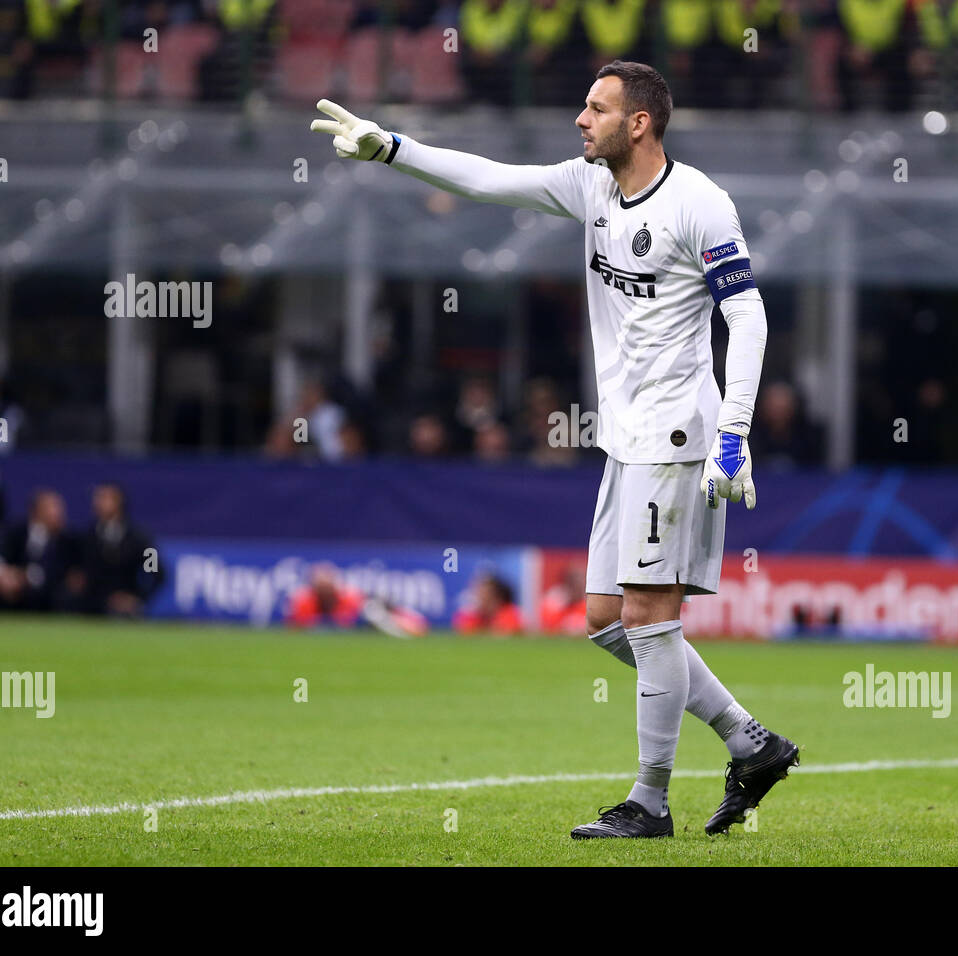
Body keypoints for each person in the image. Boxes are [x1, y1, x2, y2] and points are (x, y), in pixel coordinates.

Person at [312, 59, 799, 839]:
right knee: (607, 619)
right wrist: (392, 148)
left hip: (678, 436)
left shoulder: (701, 204)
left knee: (648, 614)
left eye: (596, 107)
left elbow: (749, 318)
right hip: (625, 438)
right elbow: (488, 179)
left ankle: (649, 802)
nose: (581, 119)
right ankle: (752, 742)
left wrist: (735, 433)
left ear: (638, 122)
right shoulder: (592, 187)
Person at [72, 483, 161, 617]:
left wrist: (137, 598)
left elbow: (156, 573)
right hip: (91, 605)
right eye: (97, 498)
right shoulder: (86, 537)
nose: (98, 503)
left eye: (104, 498)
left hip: (125, 607)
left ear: (119, 502)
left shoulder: (140, 539)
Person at [0, 488, 79, 612]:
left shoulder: (67, 540)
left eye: (59, 508)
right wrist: (3, 575)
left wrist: (26, 577)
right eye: (52, 508)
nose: (57, 513)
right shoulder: (16, 532)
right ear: (36, 511)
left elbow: (58, 572)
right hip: (9, 593)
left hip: (46, 598)